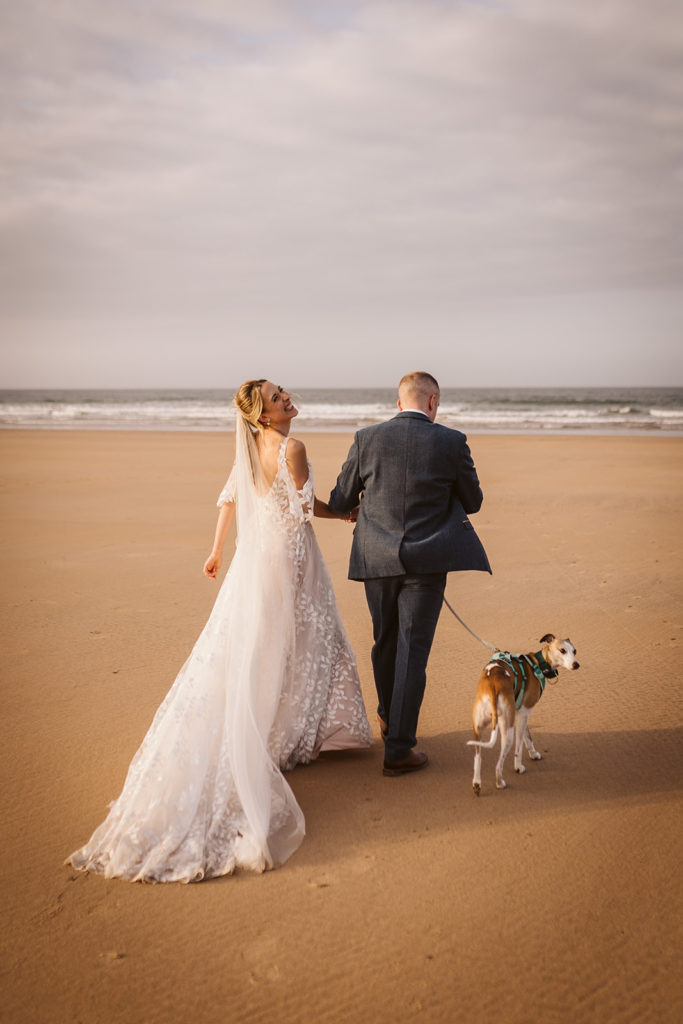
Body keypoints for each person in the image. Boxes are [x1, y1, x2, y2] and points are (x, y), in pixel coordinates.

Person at [67, 380, 372, 882]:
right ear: (265, 417)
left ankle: (278, 735)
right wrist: (340, 510)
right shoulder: (292, 446)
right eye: (278, 398)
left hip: (254, 562)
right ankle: (280, 738)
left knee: (252, 650)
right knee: (307, 645)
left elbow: (232, 500)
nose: (287, 397)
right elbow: (299, 509)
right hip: (290, 563)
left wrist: (215, 551)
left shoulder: (251, 448)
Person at [328, 371, 490, 776]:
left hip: (375, 557)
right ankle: (398, 747)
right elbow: (473, 501)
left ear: (399, 403)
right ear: (433, 402)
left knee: (385, 641)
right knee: (411, 650)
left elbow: (340, 499)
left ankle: (388, 718)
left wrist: (367, 502)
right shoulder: (452, 442)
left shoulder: (366, 438)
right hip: (428, 559)